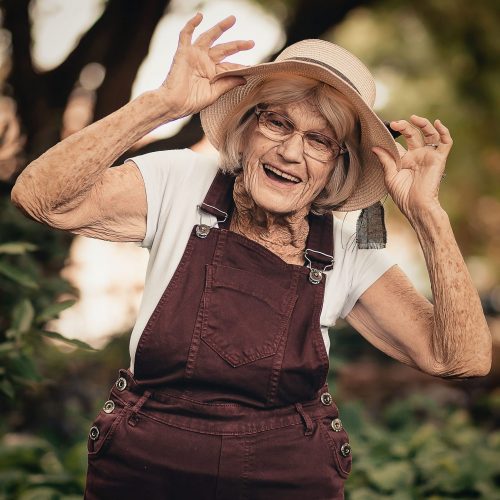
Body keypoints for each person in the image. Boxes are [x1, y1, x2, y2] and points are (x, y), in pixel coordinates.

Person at [11, 13, 491, 500]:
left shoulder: (347, 250)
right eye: (278, 123)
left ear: (337, 166)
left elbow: (463, 359)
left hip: (286, 481)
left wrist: (427, 215)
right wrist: (161, 104)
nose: (290, 152)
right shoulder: (180, 182)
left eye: (319, 141)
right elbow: (37, 197)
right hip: (143, 476)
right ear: (247, 129)